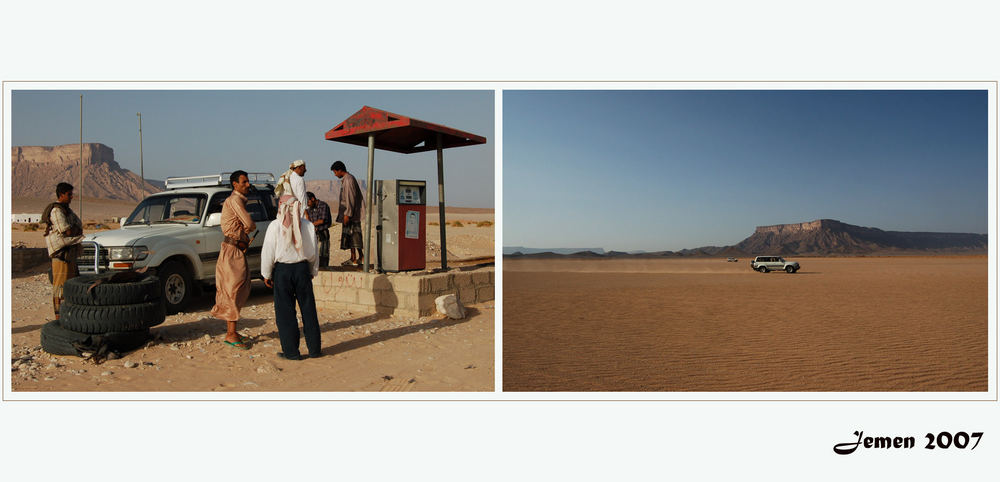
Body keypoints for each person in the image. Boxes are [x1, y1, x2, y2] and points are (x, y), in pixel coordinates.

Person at [261, 200, 321, 361]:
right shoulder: (308, 225)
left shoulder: (275, 226)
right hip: (302, 270)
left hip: (283, 271)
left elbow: (268, 252)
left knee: (285, 313)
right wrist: (312, 271)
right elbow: (314, 252)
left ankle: (291, 352)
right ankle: (315, 350)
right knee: (309, 310)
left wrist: (266, 274)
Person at [210, 170, 257, 349]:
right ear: (234, 184)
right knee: (232, 289)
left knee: (239, 288)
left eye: (247, 182)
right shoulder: (235, 200)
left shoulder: (237, 201)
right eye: (244, 182)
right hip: (232, 252)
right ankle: (230, 334)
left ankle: (233, 331)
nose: (247, 185)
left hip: (236, 250)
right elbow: (249, 224)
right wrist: (246, 230)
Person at [43, 182, 84, 320]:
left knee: (71, 285)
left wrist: (75, 230)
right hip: (61, 254)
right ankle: (59, 317)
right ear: (61, 195)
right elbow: (67, 230)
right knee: (60, 286)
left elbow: (79, 226)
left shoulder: (68, 211)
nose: (72, 197)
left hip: (70, 253)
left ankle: (69, 315)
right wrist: (74, 230)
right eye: (69, 194)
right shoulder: (56, 211)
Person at [330, 160, 364, 266]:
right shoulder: (347, 179)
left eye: (335, 172)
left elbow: (350, 198)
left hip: (351, 214)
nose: (335, 175)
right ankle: (354, 257)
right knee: (350, 236)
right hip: (350, 213)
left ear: (340, 170)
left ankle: (359, 257)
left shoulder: (348, 180)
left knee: (354, 236)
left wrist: (347, 214)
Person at [306, 191, 332, 268]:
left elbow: (322, 220)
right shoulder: (309, 208)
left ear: (313, 199)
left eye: (308, 201)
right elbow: (309, 220)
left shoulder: (323, 205)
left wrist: (310, 225)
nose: (307, 204)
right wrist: (306, 215)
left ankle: (324, 268)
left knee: (323, 253)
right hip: (314, 233)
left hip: (323, 232)